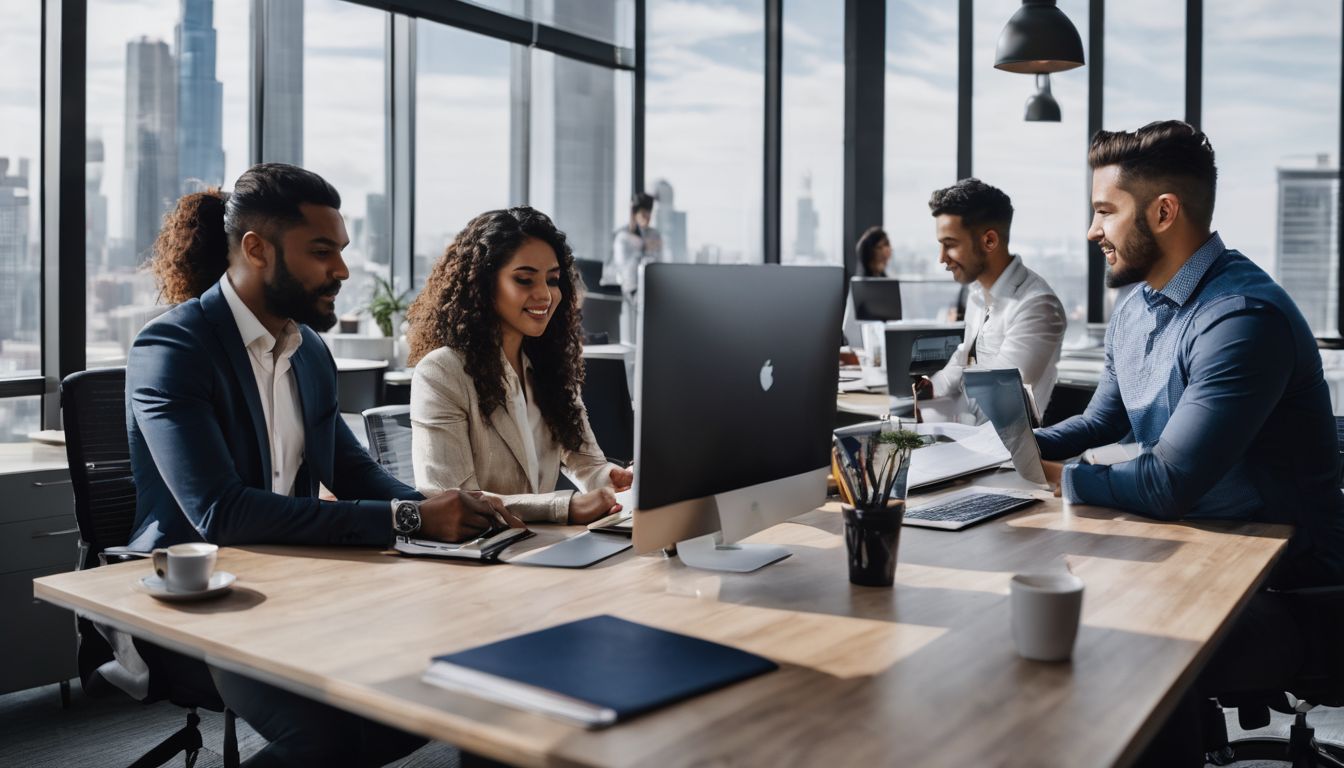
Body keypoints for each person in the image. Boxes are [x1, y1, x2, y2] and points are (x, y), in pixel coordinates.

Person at [128, 163, 520, 767]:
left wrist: (446, 515)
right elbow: (220, 513)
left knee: (446, 691)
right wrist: (409, 520)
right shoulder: (173, 349)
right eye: (321, 252)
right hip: (199, 605)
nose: (340, 270)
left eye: (341, 251)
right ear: (256, 250)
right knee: (326, 739)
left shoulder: (307, 350)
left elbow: (353, 472)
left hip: (300, 587)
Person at [1033, 121, 1344, 764]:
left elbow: (1165, 484)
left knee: (1113, 638)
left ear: (1164, 211)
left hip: (1286, 582)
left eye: (1104, 211)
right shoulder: (1139, 307)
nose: (1093, 231)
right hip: (1200, 549)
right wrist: (1013, 445)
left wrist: (1054, 476)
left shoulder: (1241, 319)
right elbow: (1100, 423)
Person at [407, 206, 634, 525]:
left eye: (553, 280)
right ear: (484, 284)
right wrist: (562, 507)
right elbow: (452, 500)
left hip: (539, 546)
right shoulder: (442, 372)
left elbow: (588, 464)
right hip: (477, 558)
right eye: (524, 280)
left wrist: (611, 478)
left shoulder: (548, 366)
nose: (544, 294)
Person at [915, 178, 1067, 417]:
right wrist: (923, 392)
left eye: (950, 245)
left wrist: (929, 415)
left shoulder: (1037, 306)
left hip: (1003, 447)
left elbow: (998, 398)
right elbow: (961, 361)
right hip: (969, 435)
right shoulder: (978, 295)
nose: (942, 258)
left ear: (989, 241)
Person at [602, 192, 665, 343]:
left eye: (650, 213)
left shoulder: (654, 235)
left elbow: (659, 262)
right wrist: (643, 246)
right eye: (644, 213)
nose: (648, 217)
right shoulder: (622, 236)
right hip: (627, 291)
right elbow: (625, 267)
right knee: (630, 337)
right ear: (634, 213)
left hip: (650, 290)